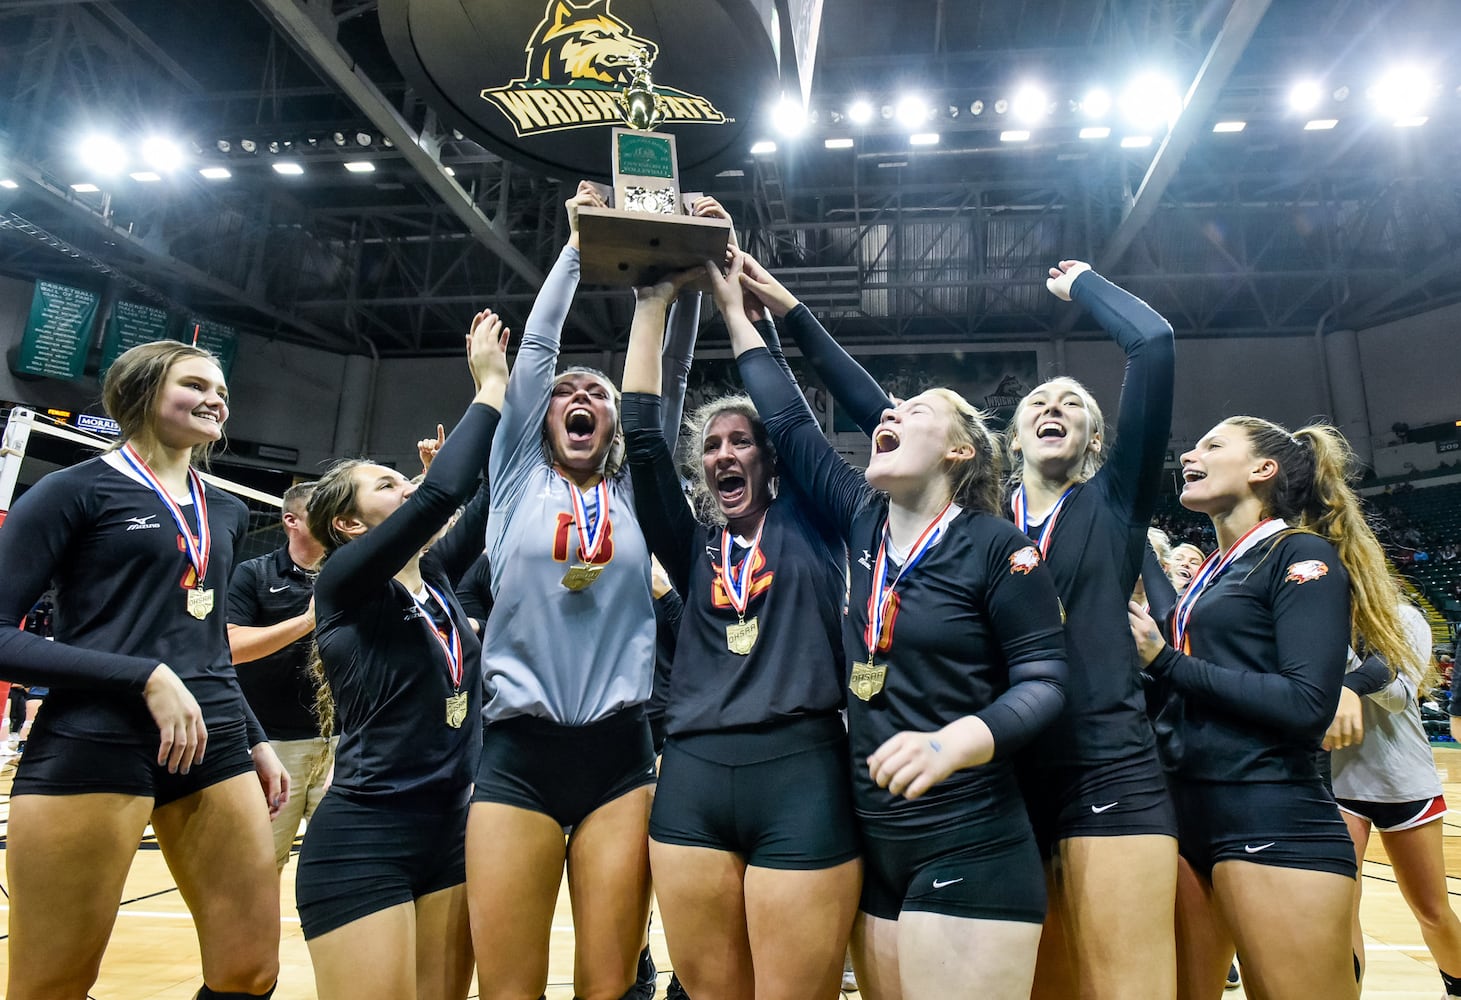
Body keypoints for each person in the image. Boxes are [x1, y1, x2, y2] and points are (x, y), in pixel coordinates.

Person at [742, 253, 1180, 999]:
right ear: (997, 439)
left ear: (1097, 440)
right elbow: (875, 409)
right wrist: (790, 309)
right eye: (1040, 400)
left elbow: (1153, 345)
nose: (1053, 407)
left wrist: (1080, 287)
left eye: (1072, 404)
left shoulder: (1112, 503)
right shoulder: (975, 524)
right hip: (993, 776)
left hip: (1096, 764)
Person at [711, 251, 1068, 1000]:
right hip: (873, 840)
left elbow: (1044, 682)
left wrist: (954, 741)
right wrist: (739, 305)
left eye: (914, 412)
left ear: (960, 450)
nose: (889, 416)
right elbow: (784, 413)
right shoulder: (862, 519)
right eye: (888, 413)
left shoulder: (998, 547)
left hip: (969, 832)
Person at [466, 182, 707, 1000]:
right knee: (509, 987)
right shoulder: (513, 478)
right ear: (541, 418)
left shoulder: (634, 490)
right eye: (568, 393)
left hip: (618, 752)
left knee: (608, 987)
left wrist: (680, 278)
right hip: (517, 754)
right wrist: (578, 242)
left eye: (597, 395)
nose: (581, 398)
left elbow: (664, 386)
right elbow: (534, 354)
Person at [0, 340, 286, 1000]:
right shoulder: (71, 491)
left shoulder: (228, 511)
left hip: (212, 739)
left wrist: (255, 735)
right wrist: (144, 676)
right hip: (95, 740)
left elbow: (207, 642)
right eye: (195, 384)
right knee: (53, 983)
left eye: (220, 387)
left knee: (250, 970)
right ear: (139, 394)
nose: (216, 397)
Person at [621, 269, 861, 999]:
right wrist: (651, 304)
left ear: (769, 460)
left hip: (802, 773)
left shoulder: (816, 524)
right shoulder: (691, 548)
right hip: (692, 777)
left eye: (742, 442)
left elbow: (788, 413)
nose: (725, 453)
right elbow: (639, 438)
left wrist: (733, 307)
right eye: (714, 445)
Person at [1127, 417, 1415, 1000]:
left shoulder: (1301, 555)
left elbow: (1308, 702)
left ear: (1263, 470)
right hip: (1184, 816)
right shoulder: (1214, 571)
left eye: (1213, 444)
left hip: (1271, 810)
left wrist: (1165, 662)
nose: (1191, 452)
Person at [296, 309, 510, 1000]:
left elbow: (477, 497)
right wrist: (488, 384)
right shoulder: (345, 583)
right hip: (366, 836)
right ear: (350, 525)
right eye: (388, 485)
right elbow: (446, 491)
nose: (408, 487)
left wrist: (522, 396)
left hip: (452, 830)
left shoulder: (438, 576)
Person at [1330, 601, 1461, 999]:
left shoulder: (1404, 617)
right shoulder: (1308, 613)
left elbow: (1399, 696)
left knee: (1432, 910)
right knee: (1340, 914)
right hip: (1338, 779)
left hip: (1403, 779)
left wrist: (1337, 649)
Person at [228, 480, 330, 871]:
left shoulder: (349, 570)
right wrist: (306, 622)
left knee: (338, 867)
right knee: (258, 866)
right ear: (292, 520)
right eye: (321, 510)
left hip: (338, 744)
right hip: (272, 744)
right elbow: (231, 644)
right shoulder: (253, 574)